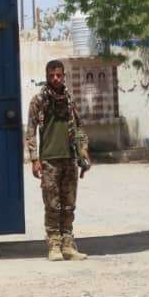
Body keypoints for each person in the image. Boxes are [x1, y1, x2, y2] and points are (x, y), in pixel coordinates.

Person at [25, 59, 91, 262]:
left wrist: (83, 155)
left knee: (69, 205)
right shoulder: (39, 100)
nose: (55, 78)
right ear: (47, 76)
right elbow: (30, 130)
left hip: (69, 159)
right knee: (52, 206)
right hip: (49, 161)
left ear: (64, 76)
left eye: (59, 75)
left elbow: (79, 129)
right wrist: (34, 159)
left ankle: (68, 245)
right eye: (52, 75)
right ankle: (54, 245)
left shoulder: (70, 100)